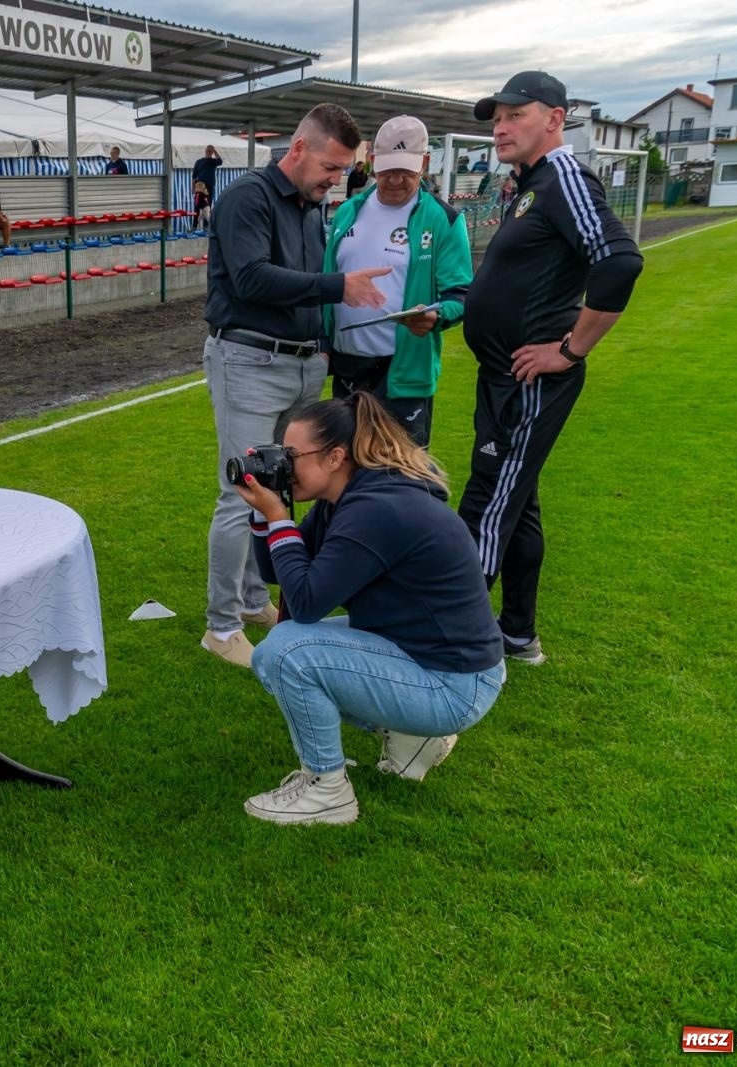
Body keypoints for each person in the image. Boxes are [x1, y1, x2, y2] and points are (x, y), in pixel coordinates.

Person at [235, 392, 507, 825]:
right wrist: (266, 513)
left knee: (284, 652)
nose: (281, 466)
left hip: (453, 684)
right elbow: (276, 572)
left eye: (290, 457)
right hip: (438, 660)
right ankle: (411, 737)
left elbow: (304, 603)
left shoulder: (376, 510)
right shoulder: (353, 495)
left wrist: (279, 518)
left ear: (335, 457)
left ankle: (328, 791)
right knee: (286, 648)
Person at [458, 71, 643, 666]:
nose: (501, 128)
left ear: (555, 118)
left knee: (488, 501)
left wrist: (567, 351)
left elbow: (618, 263)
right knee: (519, 499)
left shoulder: (563, 176)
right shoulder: (529, 183)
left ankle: (444, 641)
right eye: (496, 120)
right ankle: (517, 634)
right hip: (501, 377)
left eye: (516, 115)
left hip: (530, 380)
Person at [199, 102, 390, 668]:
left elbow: (300, 289)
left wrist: (321, 343)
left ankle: (256, 598)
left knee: (284, 486)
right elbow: (253, 278)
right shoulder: (247, 198)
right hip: (251, 361)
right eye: (332, 168)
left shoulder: (311, 207)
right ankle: (220, 625)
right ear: (299, 148)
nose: (337, 180)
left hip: (303, 364)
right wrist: (339, 287)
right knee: (243, 492)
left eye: (344, 171)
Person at [323, 115, 473, 448]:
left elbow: (461, 295)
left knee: (401, 484)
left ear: (425, 162)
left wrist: (435, 317)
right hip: (348, 369)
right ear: (372, 161)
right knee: (344, 479)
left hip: (403, 375)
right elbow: (328, 283)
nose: (394, 180)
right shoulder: (348, 211)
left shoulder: (443, 219)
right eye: (387, 170)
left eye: (405, 171)